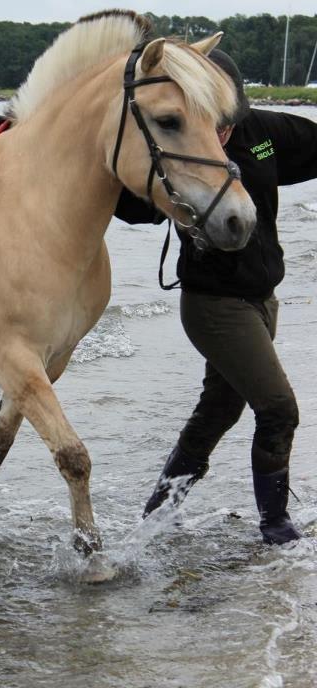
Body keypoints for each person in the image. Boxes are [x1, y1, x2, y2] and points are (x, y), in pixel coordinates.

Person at [115, 49, 317, 545]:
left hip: (262, 299)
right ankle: (276, 528)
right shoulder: (182, 147)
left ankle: (158, 512)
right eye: (213, 117)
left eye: (228, 118)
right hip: (214, 305)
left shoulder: (263, 134)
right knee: (278, 408)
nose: (222, 129)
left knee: (219, 410)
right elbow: (131, 203)